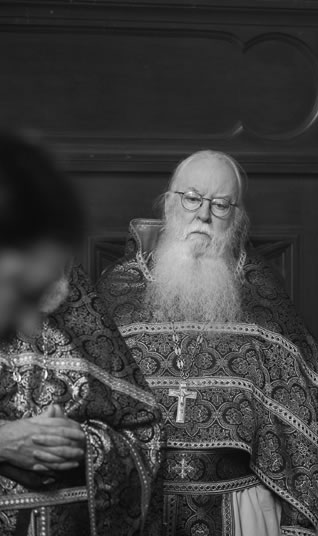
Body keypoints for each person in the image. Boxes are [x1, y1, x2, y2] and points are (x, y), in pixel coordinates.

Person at [98, 150, 318, 536]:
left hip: (237, 506)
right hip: (139, 506)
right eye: (192, 198)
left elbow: (306, 415)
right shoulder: (117, 291)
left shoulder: (262, 299)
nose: (204, 215)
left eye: (221, 204)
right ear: (169, 204)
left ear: (237, 217)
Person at [0, 133, 161, 535]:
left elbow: (143, 431)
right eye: (22, 290)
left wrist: (86, 445)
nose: (29, 326)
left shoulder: (83, 315)